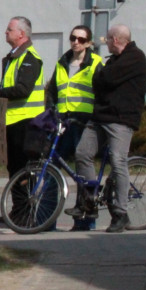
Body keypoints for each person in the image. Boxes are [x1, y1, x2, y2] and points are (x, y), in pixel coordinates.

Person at [69, 24, 146, 233]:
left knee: (117, 160)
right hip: (101, 117)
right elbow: (100, 82)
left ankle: (120, 214)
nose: (105, 44)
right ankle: (89, 200)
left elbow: (104, 79)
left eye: (107, 40)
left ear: (115, 40)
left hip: (121, 120)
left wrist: (100, 76)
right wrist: (100, 78)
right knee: (82, 153)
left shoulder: (135, 57)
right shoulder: (114, 60)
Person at [46, 25, 102, 231]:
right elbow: (52, 91)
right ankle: (46, 220)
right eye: (73, 38)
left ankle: (85, 221)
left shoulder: (96, 63)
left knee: (82, 169)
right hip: (63, 122)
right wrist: (51, 112)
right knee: (52, 167)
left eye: (81, 39)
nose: (76, 42)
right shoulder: (62, 63)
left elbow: (102, 93)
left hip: (84, 122)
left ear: (88, 43)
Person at [0, 16, 45, 181]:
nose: (6, 32)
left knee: (23, 170)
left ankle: (25, 199)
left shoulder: (29, 58)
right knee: (14, 168)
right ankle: (18, 199)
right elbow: (9, 83)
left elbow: (23, 89)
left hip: (26, 122)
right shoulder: (14, 57)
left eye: (9, 29)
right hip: (13, 120)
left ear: (21, 33)